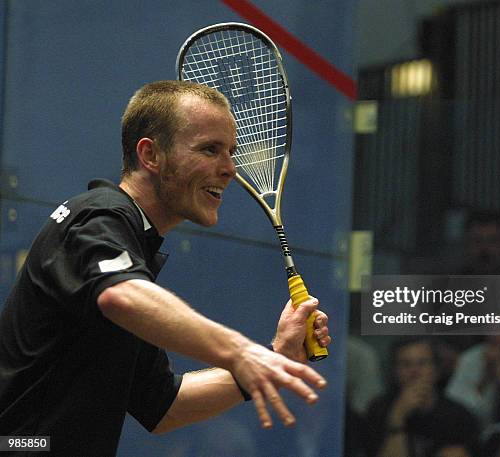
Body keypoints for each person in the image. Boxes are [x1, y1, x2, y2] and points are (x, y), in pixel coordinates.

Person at [0, 81, 331, 456]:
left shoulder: (133, 249)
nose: (229, 169)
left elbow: (164, 408)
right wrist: (238, 352)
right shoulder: (99, 214)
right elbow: (119, 296)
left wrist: (275, 355)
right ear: (151, 155)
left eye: (231, 152)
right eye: (210, 149)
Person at [365, 337, 479, 457]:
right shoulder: (378, 409)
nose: (414, 371)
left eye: (422, 363)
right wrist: (397, 417)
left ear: (436, 370)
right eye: (406, 364)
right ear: (395, 371)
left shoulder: (459, 416)